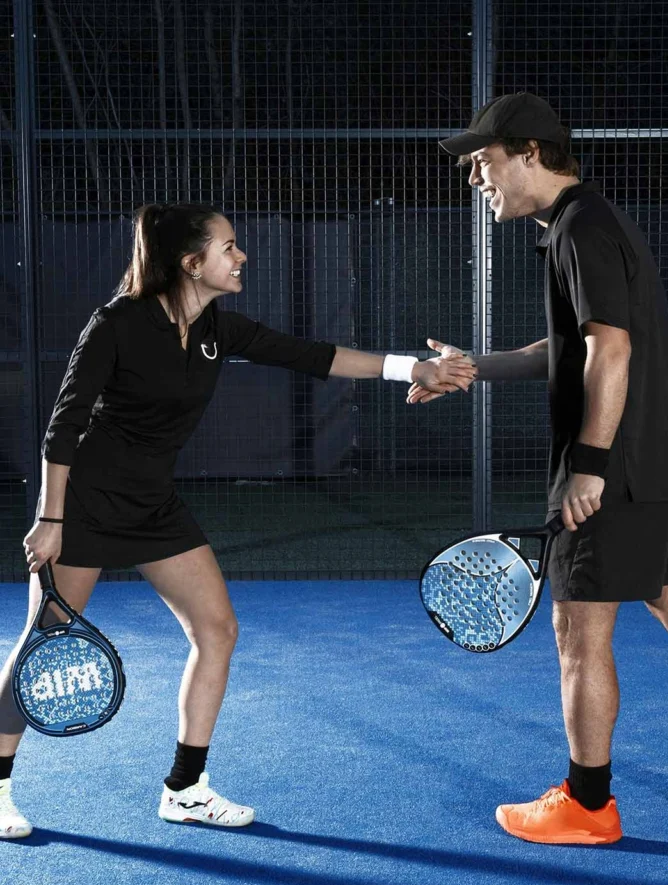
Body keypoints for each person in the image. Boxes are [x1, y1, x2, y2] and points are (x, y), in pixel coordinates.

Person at [0, 202, 475, 839]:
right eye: (228, 247)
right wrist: (50, 517)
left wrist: (412, 368)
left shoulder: (218, 329)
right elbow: (64, 422)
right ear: (190, 263)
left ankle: (185, 788)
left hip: (153, 504)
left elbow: (314, 356)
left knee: (218, 630)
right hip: (84, 502)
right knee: (42, 646)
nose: (241, 255)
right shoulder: (117, 322)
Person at [408, 92, 668, 844]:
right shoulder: (588, 222)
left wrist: (590, 467)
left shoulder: (580, 230)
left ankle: (589, 804)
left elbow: (611, 351)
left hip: (619, 470)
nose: (476, 178)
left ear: (531, 154)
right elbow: (567, 346)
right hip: (665, 461)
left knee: (578, 635)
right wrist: (476, 366)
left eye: (484, 161)